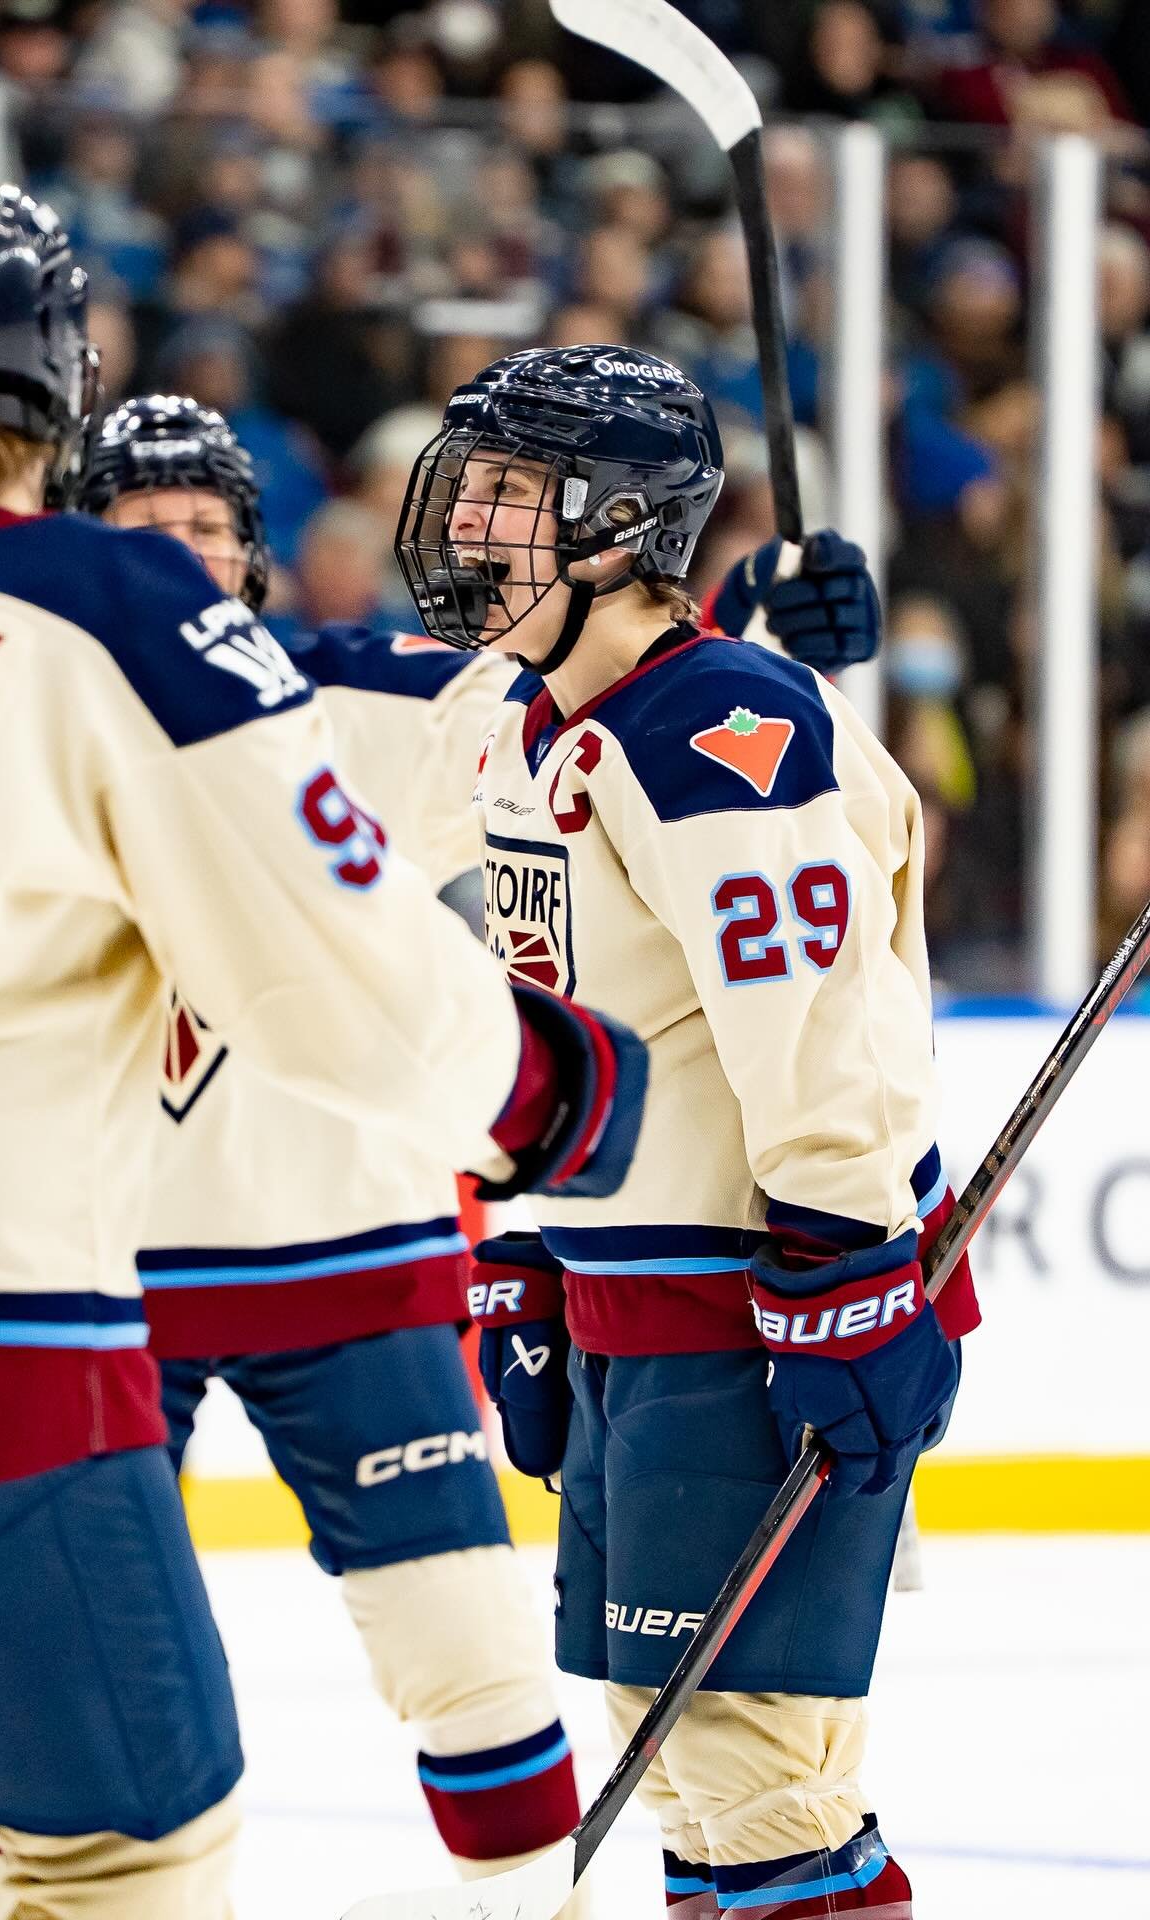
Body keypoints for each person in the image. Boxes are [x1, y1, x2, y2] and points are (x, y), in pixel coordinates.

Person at [0, 190, 647, 1920]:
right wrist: (551, 1093)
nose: (182, 544)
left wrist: (747, 642)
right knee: (128, 1858)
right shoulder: (114, 621)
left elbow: (547, 701)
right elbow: (350, 970)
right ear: (60, 398)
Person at [0, 390, 887, 1917]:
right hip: (101, 1282)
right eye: (134, 529)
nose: (171, 555)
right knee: (27, 1680)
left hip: (378, 1275)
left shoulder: (385, 701)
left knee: (555, 1701)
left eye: (205, 527)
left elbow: (716, 800)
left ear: (252, 555)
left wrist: (778, 650)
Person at [397, 345, 981, 1919]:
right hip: (632, 1321)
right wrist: (521, 1257)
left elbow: (823, 1045)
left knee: (763, 1780)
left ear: (617, 528)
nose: (472, 526)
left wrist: (853, 1276)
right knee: (688, 1783)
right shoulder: (535, 726)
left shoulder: (717, 728)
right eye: (479, 488)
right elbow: (554, 1021)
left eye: (516, 494)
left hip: (754, 1311)